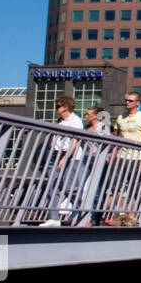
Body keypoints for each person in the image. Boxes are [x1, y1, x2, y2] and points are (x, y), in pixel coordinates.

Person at [114, 92, 141, 222]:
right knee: (116, 187)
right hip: (121, 157)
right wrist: (111, 153)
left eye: (130, 101)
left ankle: (132, 217)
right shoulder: (120, 117)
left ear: (137, 103)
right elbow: (116, 136)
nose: (127, 103)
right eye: (126, 100)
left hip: (136, 158)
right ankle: (120, 214)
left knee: (134, 189)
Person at [50, 95, 85, 224]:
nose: (56, 108)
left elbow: (75, 141)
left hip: (71, 157)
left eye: (58, 106)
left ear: (66, 107)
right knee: (53, 187)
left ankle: (81, 212)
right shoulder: (59, 121)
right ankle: (53, 218)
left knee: (71, 188)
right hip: (56, 154)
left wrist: (65, 158)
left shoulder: (76, 121)